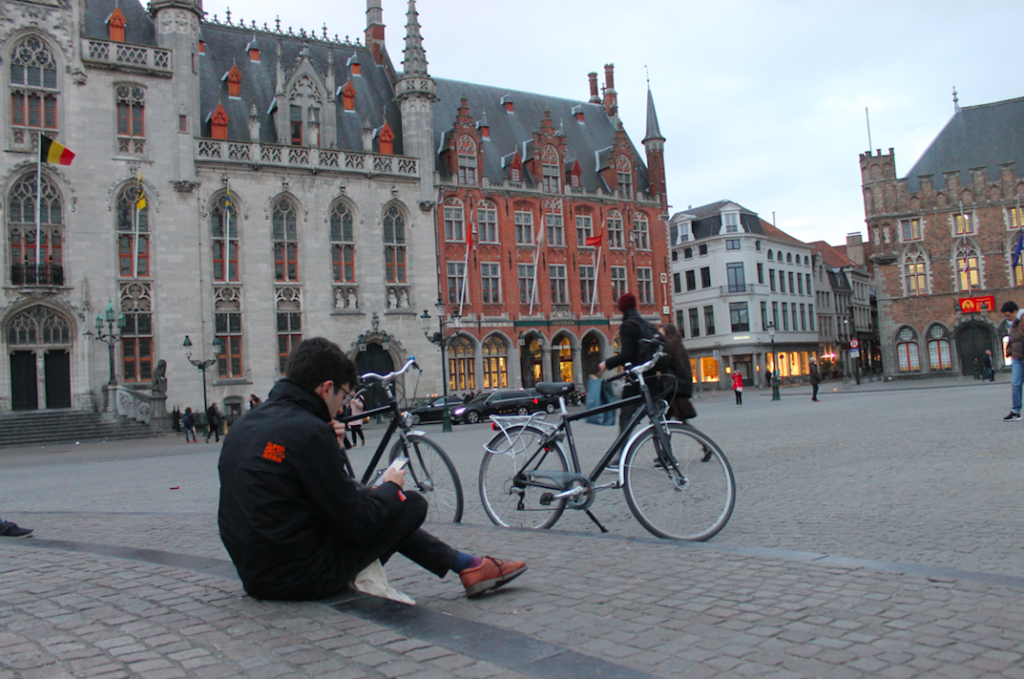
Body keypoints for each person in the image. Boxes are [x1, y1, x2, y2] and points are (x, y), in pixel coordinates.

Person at [217, 337, 526, 601]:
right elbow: (355, 524)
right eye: (343, 396)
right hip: (300, 577)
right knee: (409, 504)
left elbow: (301, 494)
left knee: (378, 500)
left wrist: (335, 452)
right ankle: (469, 566)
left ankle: (468, 565)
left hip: (254, 574)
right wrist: (391, 487)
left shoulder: (244, 425)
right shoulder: (309, 432)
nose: (341, 408)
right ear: (326, 389)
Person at [598, 293, 659, 433]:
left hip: (636, 382)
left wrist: (607, 363)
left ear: (621, 308)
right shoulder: (647, 325)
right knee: (656, 418)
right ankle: (665, 451)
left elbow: (627, 354)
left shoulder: (628, 326)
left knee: (626, 416)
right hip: (652, 380)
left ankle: (624, 451)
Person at [658, 324, 696, 422]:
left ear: (667, 332)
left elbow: (663, 363)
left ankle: (661, 436)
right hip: (679, 384)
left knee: (665, 417)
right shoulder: (678, 344)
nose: (660, 334)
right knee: (674, 417)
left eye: (661, 332)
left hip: (672, 386)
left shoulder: (668, 345)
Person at [1001, 300, 1024, 421]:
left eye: (1008, 315)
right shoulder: (1013, 323)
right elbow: (1013, 339)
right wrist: (1010, 351)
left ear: (1015, 311)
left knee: (1016, 384)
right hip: (1018, 358)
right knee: (1015, 384)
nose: (1007, 318)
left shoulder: (1022, 321)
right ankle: (1015, 411)